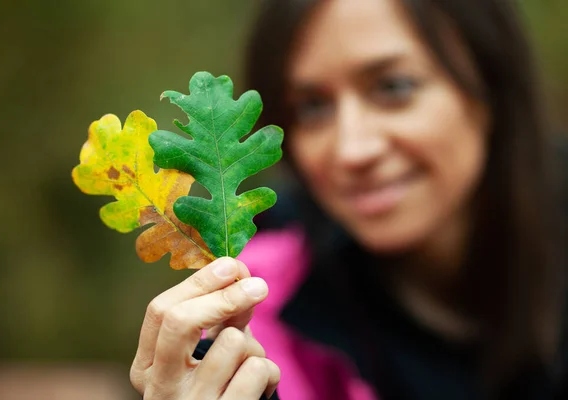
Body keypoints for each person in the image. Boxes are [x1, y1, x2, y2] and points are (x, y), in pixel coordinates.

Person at [129, 0, 568, 399]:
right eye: (313, 107)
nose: (351, 150)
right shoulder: (256, 310)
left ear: (491, 88)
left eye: (394, 88)